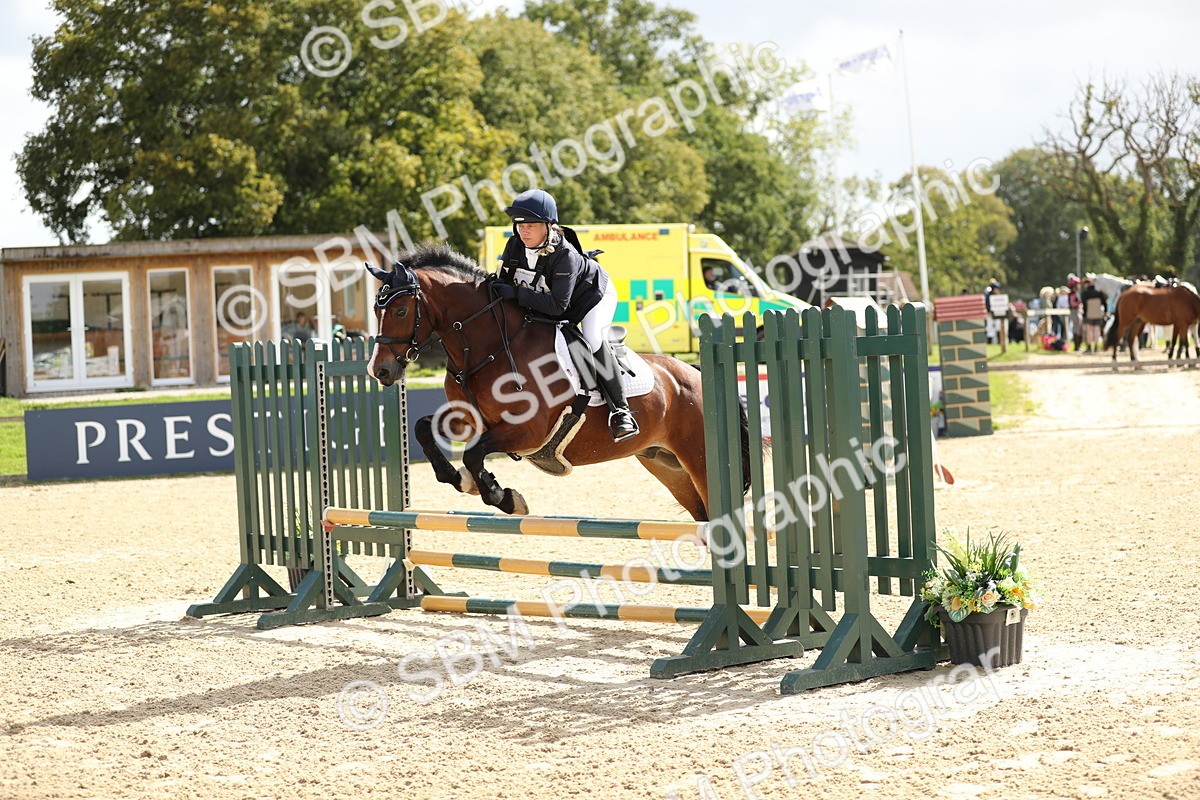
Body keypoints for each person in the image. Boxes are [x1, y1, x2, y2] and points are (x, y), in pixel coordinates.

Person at [492, 189, 639, 442]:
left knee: (592, 338)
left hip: (592, 297)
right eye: (519, 225)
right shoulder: (514, 244)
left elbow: (559, 307)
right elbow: (503, 282)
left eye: (531, 225)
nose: (523, 231)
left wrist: (517, 294)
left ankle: (621, 411)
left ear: (549, 226)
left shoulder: (564, 256)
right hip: (552, 301)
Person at [1080, 279, 1107, 352]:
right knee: (1097, 330)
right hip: (1098, 313)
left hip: (1089, 313)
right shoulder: (1099, 293)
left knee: (1089, 330)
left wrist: (1084, 314)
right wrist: (1105, 311)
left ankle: (1089, 347)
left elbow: (1084, 305)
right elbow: (1104, 303)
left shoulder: (1085, 293)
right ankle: (1096, 346)